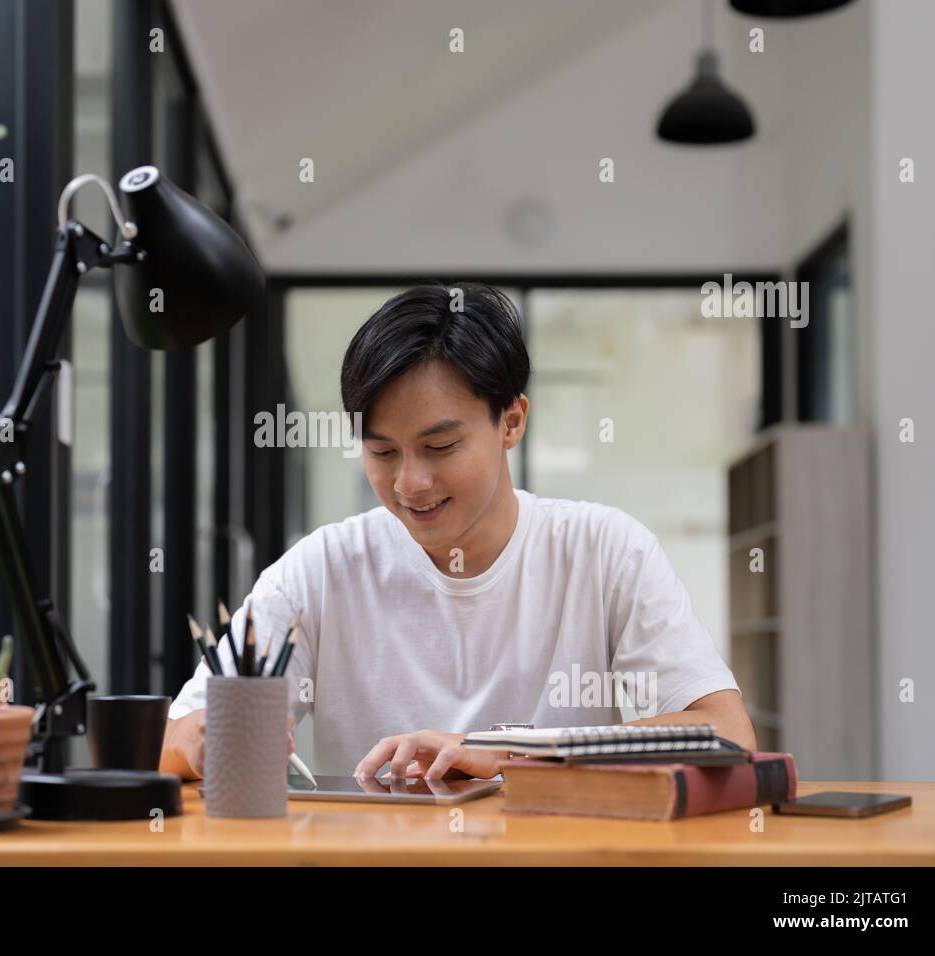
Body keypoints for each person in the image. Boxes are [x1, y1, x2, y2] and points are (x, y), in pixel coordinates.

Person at [160, 283, 756, 781]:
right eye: (382, 451)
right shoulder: (321, 570)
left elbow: (728, 734)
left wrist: (515, 751)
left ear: (512, 421)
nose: (410, 482)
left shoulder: (603, 551)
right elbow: (171, 743)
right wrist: (199, 744)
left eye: (440, 446)